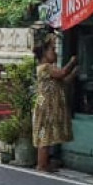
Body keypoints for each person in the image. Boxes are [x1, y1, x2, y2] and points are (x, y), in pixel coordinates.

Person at [32, 38, 78, 173]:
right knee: (44, 136)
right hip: (45, 105)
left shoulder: (50, 69)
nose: (55, 53)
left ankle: (45, 163)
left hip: (48, 105)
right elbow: (63, 73)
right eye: (52, 50)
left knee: (48, 135)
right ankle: (41, 165)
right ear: (44, 53)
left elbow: (64, 81)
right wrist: (72, 62)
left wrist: (74, 73)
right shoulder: (45, 68)